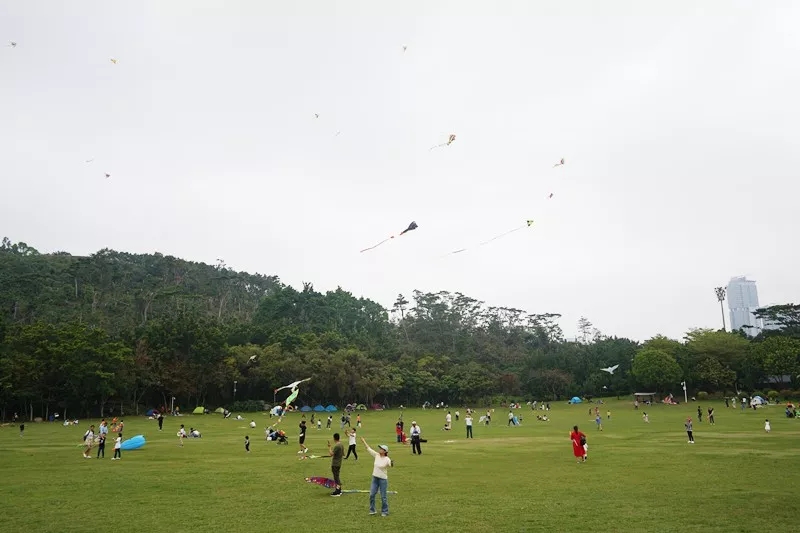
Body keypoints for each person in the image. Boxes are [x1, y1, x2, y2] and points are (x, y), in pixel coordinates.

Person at [361, 437, 393, 516]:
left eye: (381, 449)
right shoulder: (377, 455)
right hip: (375, 478)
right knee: (372, 494)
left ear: (385, 451)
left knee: (383, 496)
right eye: (380, 448)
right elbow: (369, 449)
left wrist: (391, 463)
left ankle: (385, 511)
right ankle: (372, 510)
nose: (380, 449)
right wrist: (364, 441)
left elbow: (390, 464)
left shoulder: (387, 459)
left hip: (383, 480)